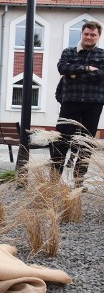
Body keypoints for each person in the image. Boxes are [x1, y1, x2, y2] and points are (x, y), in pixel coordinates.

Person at [50, 20, 104, 186]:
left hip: (93, 105)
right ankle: (53, 180)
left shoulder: (102, 55)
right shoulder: (68, 52)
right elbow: (62, 68)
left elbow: (101, 75)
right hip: (70, 103)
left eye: (92, 35)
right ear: (82, 34)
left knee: (86, 143)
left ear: (98, 36)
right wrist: (87, 69)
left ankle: (78, 181)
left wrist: (74, 72)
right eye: (86, 34)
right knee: (61, 141)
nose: (89, 37)